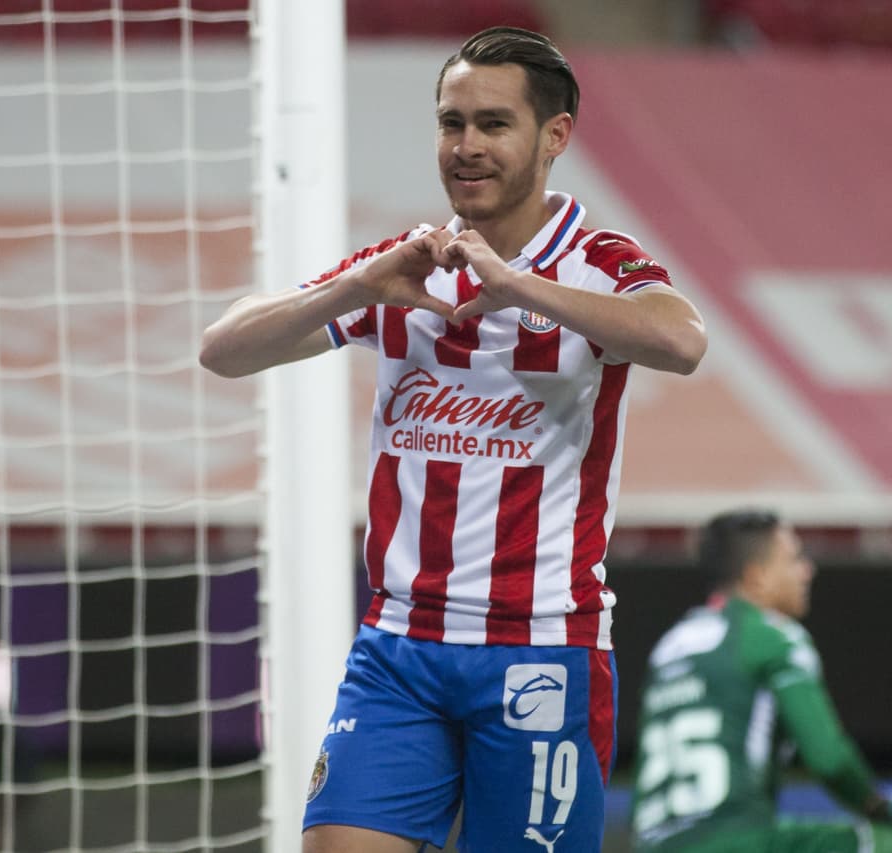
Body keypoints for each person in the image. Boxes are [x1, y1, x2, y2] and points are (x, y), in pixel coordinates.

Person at [199, 26, 707, 853]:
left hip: (541, 650)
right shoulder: (405, 269)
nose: (466, 147)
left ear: (554, 137)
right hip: (399, 649)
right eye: (451, 122)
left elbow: (682, 341)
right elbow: (222, 350)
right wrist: (354, 285)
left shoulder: (596, 262)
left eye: (492, 124)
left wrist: (515, 284)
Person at [630, 509, 892, 853]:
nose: (807, 570)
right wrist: (879, 807)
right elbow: (829, 759)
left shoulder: (669, 647)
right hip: (738, 843)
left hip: (653, 846)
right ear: (756, 577)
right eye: (795, 558)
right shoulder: (771, 636)